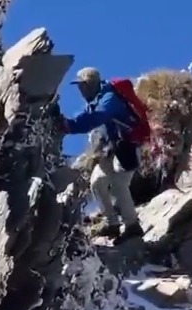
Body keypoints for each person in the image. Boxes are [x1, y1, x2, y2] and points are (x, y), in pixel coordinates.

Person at [60, 67, 145, 244]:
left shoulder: (109, 98)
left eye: (83, 85)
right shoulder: (96, 99)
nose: (81, 90)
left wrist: (70, 126)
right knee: (97, 183)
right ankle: (111, 223)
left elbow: (97, 117)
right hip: (113, 149)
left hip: (128, 147)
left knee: (118, 184)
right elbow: (87, 115)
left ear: (91, 84)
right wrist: (67, 123)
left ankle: (132, 226)